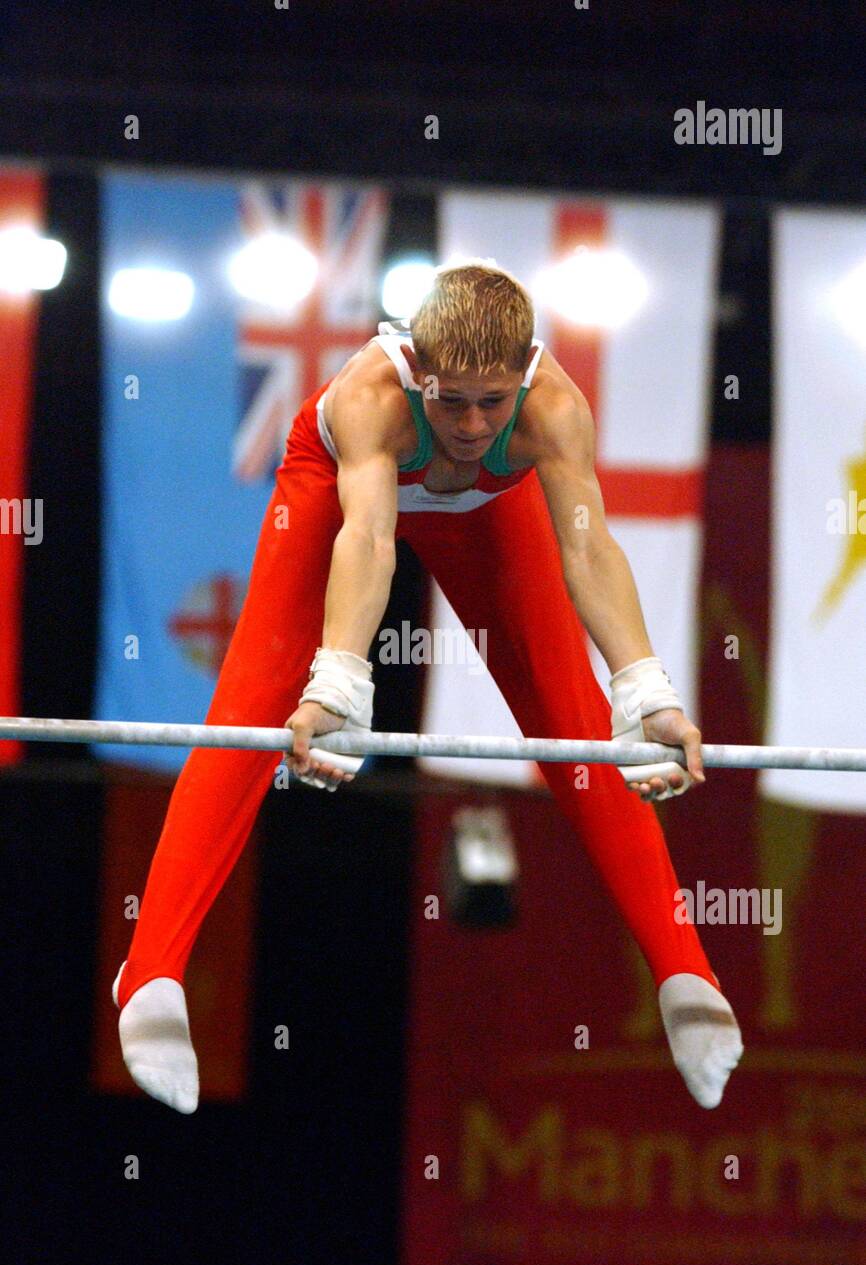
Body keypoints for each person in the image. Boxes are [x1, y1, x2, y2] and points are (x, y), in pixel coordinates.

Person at [113, 260, 742, 1114]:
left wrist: (648, 692)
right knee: (251, 712)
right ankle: (149, 972)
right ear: (416, 365)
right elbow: (370, 540)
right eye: (450, 402)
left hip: (490, 513)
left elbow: (589, 548)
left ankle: (682, 970)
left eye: (494, 401)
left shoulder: (553, 409)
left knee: (574, 719)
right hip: (334, 502)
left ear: (525, 373)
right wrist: (336, 685)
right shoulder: (372, 397)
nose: (473, 424)